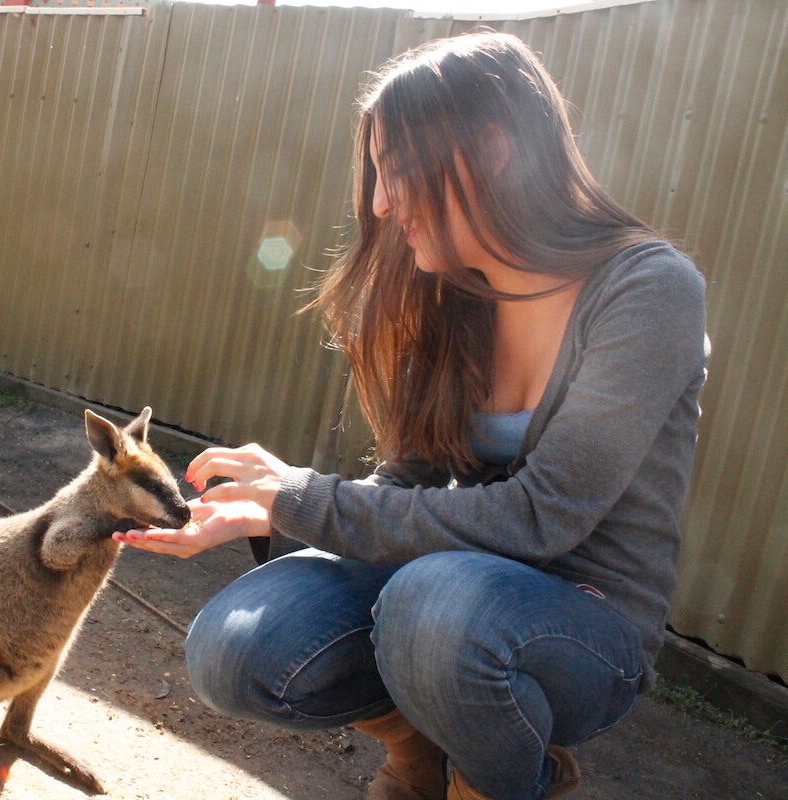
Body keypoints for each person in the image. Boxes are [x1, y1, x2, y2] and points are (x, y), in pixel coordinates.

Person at [115, 30, 708, 800]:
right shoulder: (454, 290)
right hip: (449, 597)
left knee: (433, 611)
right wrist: (270, 512)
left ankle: (505, 781)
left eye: (396, 171)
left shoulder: (647, 289)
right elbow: (413, 479)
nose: (381, 202)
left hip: (585, 625)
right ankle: (418, 747)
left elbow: (543, 517)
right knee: (237, 648)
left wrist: (300, 497)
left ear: (491, 150)